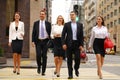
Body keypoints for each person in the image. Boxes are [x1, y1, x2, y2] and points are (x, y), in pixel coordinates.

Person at [61, 11, 84, 79]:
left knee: (77, 58)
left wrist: (81, 45)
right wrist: (63, 44)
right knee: (69, 60)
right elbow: (63, 35)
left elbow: (81, 36)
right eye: (70, 15)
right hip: (69, 44)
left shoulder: (80, 24)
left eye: (73, 15)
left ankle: (76, 68)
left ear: (76, 16)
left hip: (77, 44)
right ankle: (70, 74)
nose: (71, 16)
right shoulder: (67, 24)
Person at [32, 10, 51, 76]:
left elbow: (50, 33)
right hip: (38, 41)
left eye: (43, 14)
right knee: (38, 55)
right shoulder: (36, 23)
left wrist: (50, 41)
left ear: (45, 15)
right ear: (39, 15)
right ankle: (39, 66)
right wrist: (33, 41)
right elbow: (33, 33)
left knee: (44, 56)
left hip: (45, 41)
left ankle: (43, 71)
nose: (41, 15)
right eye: (41, 14)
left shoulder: (48, 24)